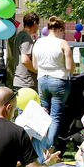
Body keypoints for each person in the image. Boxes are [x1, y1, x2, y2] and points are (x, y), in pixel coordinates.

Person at [31, 16, 74, 151]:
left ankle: (39, 147)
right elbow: (69, 67)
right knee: (55, 117)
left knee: (44, 114)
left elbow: (35, 65)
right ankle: (48, 147)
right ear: (60, 29)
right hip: (59, 79)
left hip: (42, 79)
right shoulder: (63, 43)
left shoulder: (38, 42)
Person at [12, 12, 40, 91]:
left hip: (19, 81)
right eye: (38, 24)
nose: (38, 27)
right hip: (27, 82)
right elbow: (25, 60)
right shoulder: (26, 37)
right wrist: (37, 71)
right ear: (34, 23)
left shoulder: (19, 35)